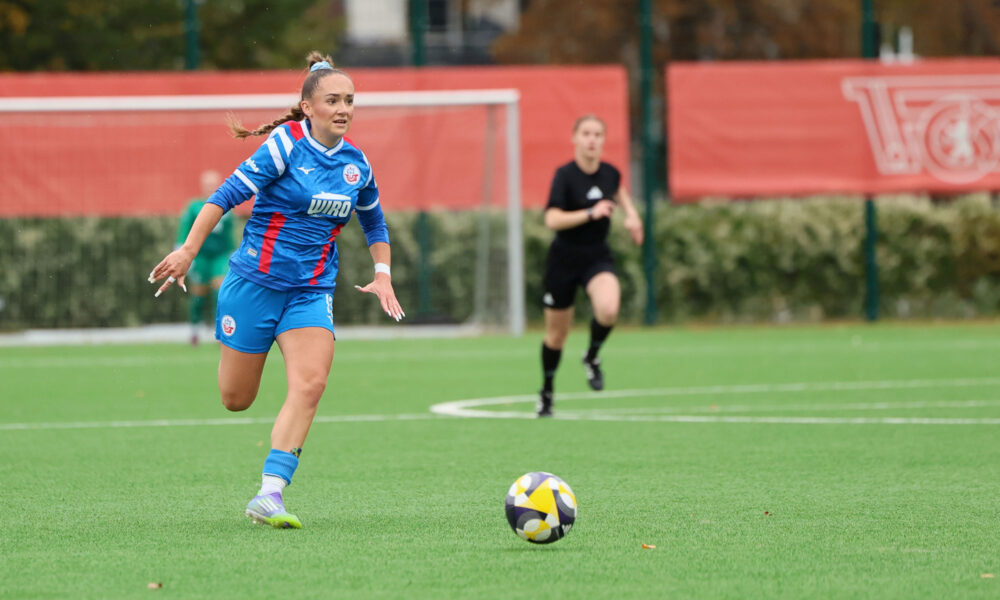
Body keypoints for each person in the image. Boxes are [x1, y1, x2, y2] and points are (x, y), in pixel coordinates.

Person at [148, 52, 404, 528]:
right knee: (235, 398)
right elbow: (223, 196)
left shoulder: (356, 163)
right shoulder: (284, 147)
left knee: (311, 384)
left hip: (310, 292)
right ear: (308, 107)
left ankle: (270, 494)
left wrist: (383, 270)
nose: (343, 108)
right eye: (332, 100)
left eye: (349, 100)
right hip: (252, 287)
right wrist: (187, 250)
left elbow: (374, 220)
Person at [537, 114, 643, 418]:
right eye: (586, 133)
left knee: (609, 309)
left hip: (597, 257)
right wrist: (590, 213)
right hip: (563, 260)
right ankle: (546, 393)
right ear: (575, 138)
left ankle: (592, 356)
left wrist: (632, 216)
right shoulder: (565, 176)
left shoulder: (610, 173)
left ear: (603, 140)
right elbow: (551, 219)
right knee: (557, 336)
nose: (592, 139)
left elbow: (619, 190)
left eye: (598, 134)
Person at [175, 170, 236, 346]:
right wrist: (182, 252)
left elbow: (229, 237)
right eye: (207, 184)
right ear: (202, 186)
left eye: (213, 184)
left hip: (219, 257)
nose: (210, 187)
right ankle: (194, 330)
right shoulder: (194, 207)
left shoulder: (226, 207)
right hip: (200, 256)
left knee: (220, 292)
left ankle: (221, 331)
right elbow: (184, 230)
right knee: (198, 295)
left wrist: (232, 255)